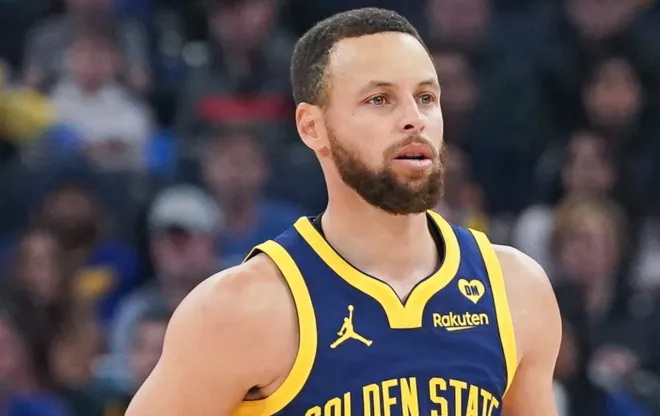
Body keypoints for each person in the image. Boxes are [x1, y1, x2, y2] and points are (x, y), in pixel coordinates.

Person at [127, 7, 561, 415]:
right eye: (379, 100)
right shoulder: (243, 307)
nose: (415, 119)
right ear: (312, 127)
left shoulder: (516, 290)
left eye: (426, 97)